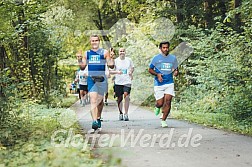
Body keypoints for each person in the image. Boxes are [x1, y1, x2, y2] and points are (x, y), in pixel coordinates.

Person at [82, 35, 114, 130]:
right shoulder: (87, 53)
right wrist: (80, 60)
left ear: (99, 41)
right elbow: (82, 67)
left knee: (100, 101)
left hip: (102, 79)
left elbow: (111, 65)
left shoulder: (104, 52)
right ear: (90, 42)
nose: (94, 42)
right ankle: (94, 121)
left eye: (96, 40)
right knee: (93, 100)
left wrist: (111, 57)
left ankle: (98, 117)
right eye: (92, 41)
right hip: (91, 79)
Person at [148, 41, 179, 128]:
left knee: (168, 101)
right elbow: (150, 69)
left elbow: (176, 69)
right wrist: (157, 74)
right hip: (159, 83)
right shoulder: (156, 58)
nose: (165, 49)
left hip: (169, 83)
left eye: (167, 47)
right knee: (160, 103)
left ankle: (163, 120)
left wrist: (176, 72)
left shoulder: (173, 58)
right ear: (160, 49)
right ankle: (157, 106)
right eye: (164, 48)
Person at [110, 48, 134, 121]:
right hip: (118, 82)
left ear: (125, 52)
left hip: (127, 81)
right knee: (119, 98)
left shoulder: (129, 60)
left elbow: (132, 67)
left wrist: (130, 72)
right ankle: (121, 113)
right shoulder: (116, 61)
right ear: (119, 52)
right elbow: (111, 71)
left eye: (123, 51)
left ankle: (126, 114)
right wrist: (117, 72)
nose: (122, 52)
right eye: (120, 51)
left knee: (126, 96)